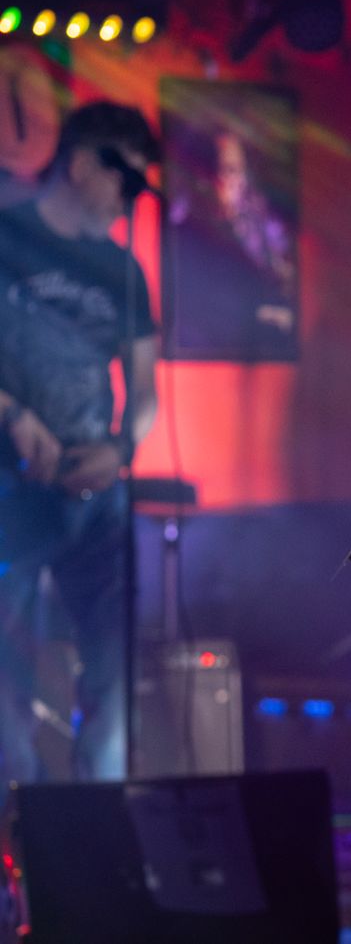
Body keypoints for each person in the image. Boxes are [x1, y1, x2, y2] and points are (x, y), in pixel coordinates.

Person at [0, 101, 160, 788]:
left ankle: (102, 821)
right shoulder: (6, 237)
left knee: (112, 672)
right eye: (126, 178)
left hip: (96, 498)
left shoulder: (124, 270)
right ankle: (19, 821)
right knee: (6, 671)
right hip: (10, 490)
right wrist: (13, 415)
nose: (132, 197)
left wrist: (120, 451)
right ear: (83, 162)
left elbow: (146, 391)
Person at [165, 128, 297, 359]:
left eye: (232, 171)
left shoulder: (260, 226)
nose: (222, 181)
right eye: (214, 171)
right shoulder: (184, 233)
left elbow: (283, 277)